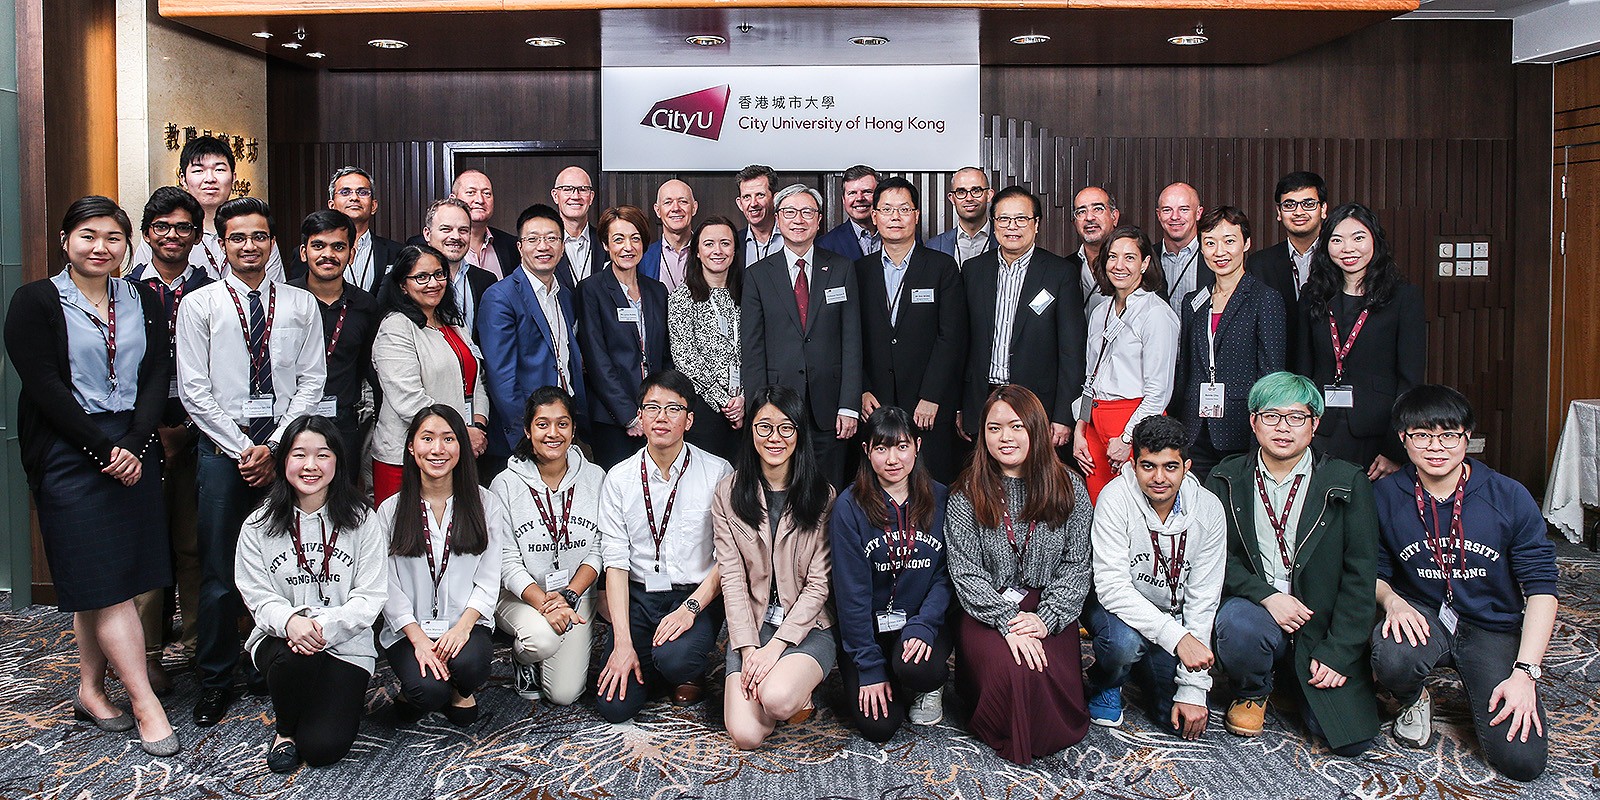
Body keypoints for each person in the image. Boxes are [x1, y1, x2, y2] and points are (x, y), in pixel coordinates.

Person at [6, 196, 179, 756]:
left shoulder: (145, 298)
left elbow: (157, 374)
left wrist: (134, 443)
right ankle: (143, 703)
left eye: (112, 237)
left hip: (133, 446)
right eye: (88, 235)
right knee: (106, 582)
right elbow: (44, 386)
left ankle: (88, 689)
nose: (100, 247)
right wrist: (103, 448)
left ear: (126, 245)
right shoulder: (35, 301)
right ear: (65, 242)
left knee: (105, 579)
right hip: (69, 452)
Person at [177, 196, 326, 728]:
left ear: (272, 243)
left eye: (259, 236)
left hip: (284, 458)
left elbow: (312, 381)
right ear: (221, 243)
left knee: (285, 565)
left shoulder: (300, 304)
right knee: (219, 572)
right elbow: (194, 389)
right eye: (237, 237)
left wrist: (276, 446)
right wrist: (244, 448)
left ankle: (270, 664)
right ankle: (216, 678)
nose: (249, 245)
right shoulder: (200, 305)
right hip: (224, 457)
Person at [1370, 385, 1556, 781]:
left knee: (1521, 762)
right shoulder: (1385, 495)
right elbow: (1371, 572)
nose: (1436, 447)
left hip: (1491, 624)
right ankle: (1412, 697)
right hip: (1421, 614)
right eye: (1421, 435)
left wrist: (1526, 673)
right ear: (1403, 439)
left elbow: (1542, 588)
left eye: (1449, 435)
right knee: (1391, 655)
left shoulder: (1508, 495)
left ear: (1467, 437)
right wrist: (1392, 601)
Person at [1206, 372, 1379, 756]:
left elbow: (1360, 576)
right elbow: (1215, 558)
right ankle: (1253, 690)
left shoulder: (1347, 481)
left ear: (1315, 424)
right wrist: (1266, 595)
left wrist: (1338, 652)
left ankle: (1297, 676)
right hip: (1256, 609)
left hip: (1319, 619)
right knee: (1236, 624)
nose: (1283, 428)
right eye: (1271, 416)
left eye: (1296, 417)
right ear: (1253, 422)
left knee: (1351, 741)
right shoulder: (1225, 477)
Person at [946, 385, 1093, 765]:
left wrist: (1045, 620)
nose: (1005, 437)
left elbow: (1077, 566)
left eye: (1015, 426)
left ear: (1035, 429)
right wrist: (1008, 621)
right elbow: (966, 573)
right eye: (994, 428)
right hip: (988, 607)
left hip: (1048, 607)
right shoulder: (967, 490)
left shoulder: (1070, 486)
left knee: (1038, 665)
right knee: (1015, 671)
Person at [235, 416, 386, 772]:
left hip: (346, 644)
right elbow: (255, 595)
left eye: (323, 455)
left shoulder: (364, 520)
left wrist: (321, 625)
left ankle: (317, 704)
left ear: (338, 461)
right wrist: (290, 622)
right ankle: (284, 732)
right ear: (284, 460)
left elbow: (371, 595)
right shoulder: (258, 525)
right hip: (283, 641)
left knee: (322, 748)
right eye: (299, 455)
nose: (310, 466)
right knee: (296, 659)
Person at [595, 370, 734, 722]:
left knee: (677, 660)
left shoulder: (717, 472)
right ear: (639, 415)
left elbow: (728, 558)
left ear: (689, 420)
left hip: (696, 596)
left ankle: (681, 667)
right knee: (614, 707)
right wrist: (623, 643)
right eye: (652, 407)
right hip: (640, 596)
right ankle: (650, 659)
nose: (661, 417)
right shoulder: (619, 479)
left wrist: (690, 608)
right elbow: (615, 565)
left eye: (673, 409)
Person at [1083, 416, 1226, 738]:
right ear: (1133, 464)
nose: (1159, 478)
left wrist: (1192, 690)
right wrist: (1178, 640)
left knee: (1172, 720)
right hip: (1116, 609)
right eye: (1148, 466)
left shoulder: (1209, 509)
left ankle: (1139, 666)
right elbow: (1112, 587)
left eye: (1170, 467)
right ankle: (1108, 680)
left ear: (1187, 466)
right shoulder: (1115, 499)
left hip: (1170, 616)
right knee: (1124, 645)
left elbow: (1204, 597)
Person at [715, 385, 837, 749]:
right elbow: (732, 580)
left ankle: (794, 691)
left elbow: (818, 586)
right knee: (746, 735)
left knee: (777, 697)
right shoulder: (728, 493)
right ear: (751, 429)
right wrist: (750, 650)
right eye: (764, 427)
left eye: (786, 428)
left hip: (808, 627)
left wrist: (776, 649)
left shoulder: (822, 495)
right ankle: (782, 691)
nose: (775, 438)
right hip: (753, 626)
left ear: (799, 434)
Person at [126, 186, 212, 693]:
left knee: (192, 545)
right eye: (162, 227)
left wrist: (188, 429)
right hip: (139, 431)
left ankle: (202, 647)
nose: (173, 236)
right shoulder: (125, 291)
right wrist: (151, 428)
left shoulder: (212, 288)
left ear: (197, 236)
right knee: (147, 544)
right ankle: (149, 653)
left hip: (199, 429)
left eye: (183, 228)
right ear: (147, 234)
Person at [829, 406, 953, 741]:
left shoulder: (942, 498)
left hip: (922, 623)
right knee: (880, 728)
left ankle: (925, 686)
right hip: (868, 630)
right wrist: (868, 667)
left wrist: (924, 624)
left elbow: (944, 577)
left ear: (917, 446)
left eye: (901, 446)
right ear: (867, 451)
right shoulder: (849, 506)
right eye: (881, 448)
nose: (893, 459)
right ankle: (889, 675)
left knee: (917, 668)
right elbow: (850, 594)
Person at [379, 405, 505, 726]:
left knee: (472, 667)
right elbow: (386, 585)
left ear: (461, 446)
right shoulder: (390, 511)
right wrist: (419, 639)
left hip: (465, 621)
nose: (438, 449)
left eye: (448, 439)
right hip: (410, 628)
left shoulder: (486, 504)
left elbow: (490, 576)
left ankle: (460, 687)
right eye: (427, 438)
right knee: (428, 693)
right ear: (411, 446)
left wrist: (462, 628)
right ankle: (425, 687)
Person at [742, 183, 862, 487]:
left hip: (830, 407)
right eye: (790, 212)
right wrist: (759, 411)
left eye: (807, 212)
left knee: (829, 489)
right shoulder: (758, 274)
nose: (799, 219)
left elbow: (852, 342)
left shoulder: (841, 268)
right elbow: (753, 349)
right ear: (778, 219)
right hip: (778, 406)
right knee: (781, 488)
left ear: (819, 220)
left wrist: (849, 404)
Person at [1294, 202, 1425, 481]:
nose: (1348, 248)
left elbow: (1410, 380)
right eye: (1337, 240)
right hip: (1320, 429)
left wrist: (1395, 449)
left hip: (1378, 433)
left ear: (1374, 240)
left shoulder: (1403, 297)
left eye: (1358, 237)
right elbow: (1302, 370)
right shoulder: (1314, 295)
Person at [491, 387, 605, 705]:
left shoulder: (596, 478)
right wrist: (544, 604)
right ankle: (524, 658)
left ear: (573, 430)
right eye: (542, 424)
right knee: (540, 641)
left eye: (562, 423)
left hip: (574, 595)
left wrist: (568, 596)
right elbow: (507, 562)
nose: (552, 433)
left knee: (564, 695)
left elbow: (598, 547)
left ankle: (549, 643)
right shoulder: (505, 484)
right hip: (521, 596)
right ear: (528, 430)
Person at [959, 186, 1087, 457]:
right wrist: (961, 407)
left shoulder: (1059, 273)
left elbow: (1071, 351)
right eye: (1003, 219)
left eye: (1021, 219)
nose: (1011, 227)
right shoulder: (973, 271)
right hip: (982, 399)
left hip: (1037, 405)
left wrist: (1064, 415)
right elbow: (962, 345)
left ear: (1036, 224)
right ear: (993, 224)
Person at [856, 177, 968, 484]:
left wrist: (932, 395)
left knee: (931, 487)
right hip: (875, 403)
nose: (895, 216)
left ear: (916, 216)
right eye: (887, 209)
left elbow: (951, 337)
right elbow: (851, 338)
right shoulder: (858, 271)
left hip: (926, 407)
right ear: (874, 216)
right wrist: (862, 388)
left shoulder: (942, 267)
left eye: (904, 209)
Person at [1172, 206, 1286, 480]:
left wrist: (1263, 427)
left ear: (1246, 244)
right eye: (1210, 243)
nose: (1219, 251)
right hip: (1195, 427)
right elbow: (1186, 367)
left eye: (1229, 241)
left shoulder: (1265, 299)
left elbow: (1271, 375)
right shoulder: (1193, 301)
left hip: (1242, 428)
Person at [372, 245, 490, 503]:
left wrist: (477, 426)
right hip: (406, 456)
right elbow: (408, 400)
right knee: (405, 537)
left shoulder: (452, 323)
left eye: (439, 274)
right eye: (421, 277)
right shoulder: (395, 328)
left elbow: (476, 379)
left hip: (453, 451)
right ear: (403, 285)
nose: (433, 283)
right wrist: (461, 433)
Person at [478, 203, 585, 480]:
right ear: (520, 247)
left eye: (551, 238)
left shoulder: (564, 295)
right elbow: (501, 378)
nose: (543, 246)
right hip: (526, 436)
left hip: (562, 426)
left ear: (562, 247)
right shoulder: (500, 296)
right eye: (533, 239)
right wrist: (526, 435)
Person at [1072, 225, 1179, 502]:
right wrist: (1080, 428)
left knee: (1137, 507)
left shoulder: (1156, 314)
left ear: (1145, 264)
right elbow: (1090, 378)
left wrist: (1128, 438)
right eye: (1112, 257)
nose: (1119, 266)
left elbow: (1159, 391)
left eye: (1130, 257)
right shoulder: (1099, 310)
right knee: (1100, 506)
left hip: (1134, 422)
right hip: (1095, 423)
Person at [578, 205, 671, 468]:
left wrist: (657, 409)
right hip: (613, 419)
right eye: (618, 239)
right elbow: (597, 360)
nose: (627, 247)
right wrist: (629, 416)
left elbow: (664, 355)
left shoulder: (657, 291)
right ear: (606, 245)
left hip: (655, 415)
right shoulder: (591, 290)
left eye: (635, 238)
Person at [289, 210, 381, 473]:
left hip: (343, 422)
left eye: (338, 247)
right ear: (304, 252)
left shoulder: (365, 305)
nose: (328, 254)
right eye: (318, 245)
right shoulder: (284, 299)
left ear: (351, 254)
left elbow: (368, 368)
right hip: (292, 422)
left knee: (344, 503)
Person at [131, 135, 285, 283]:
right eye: (199, 170)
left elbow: (274, 288)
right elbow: (145, 285)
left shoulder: (257, 233)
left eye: (219, 170)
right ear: (183, 179)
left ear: (233, 177)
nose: (210, 179)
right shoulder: (164, 234)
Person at [667, 215, 744, 460]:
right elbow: (684, 358)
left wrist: (742, 398)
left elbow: (759, 348)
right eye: (709, 244)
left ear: (734, 250)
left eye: (725, 243)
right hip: (704, 409)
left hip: (746, 408)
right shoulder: (682, 297)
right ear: (697, 251)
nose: (717, 251)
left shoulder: (750, 295)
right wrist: (723, 401)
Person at [1248, 170, 1327, 353]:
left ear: (1323, 209)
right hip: (1279, 367)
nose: (1299, 212)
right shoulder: (1260, 264)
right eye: (1289, 205)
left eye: (1308, 204)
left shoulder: (1339, 258)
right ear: (1279, 212)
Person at [417, 198, 496, 337]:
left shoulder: (486, 281)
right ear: (427, 234)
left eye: (463, 230)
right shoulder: (408, 280)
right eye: (446, 229)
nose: (455, 236)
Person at [324, 166, 405, 293]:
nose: (354, 198)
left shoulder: (397, 252)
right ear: (332, 206)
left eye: (362, 192)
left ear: (373, 206)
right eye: (345, 192)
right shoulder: (312, 253)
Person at [926, 166, 996, 267]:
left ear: (989, 195)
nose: (969, 198)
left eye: (976, 190)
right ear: (952, 198)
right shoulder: (934, 246)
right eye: (961, 192)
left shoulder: (1005, 241)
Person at [1155, 182, 1206, 317]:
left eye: (1184, 209)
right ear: (1158, 215)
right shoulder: (1146, 257)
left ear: (1198, 213)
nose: (1175, 217)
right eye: (1167, 210)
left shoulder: (1213, 257)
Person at [1067, 187, 1120, 317]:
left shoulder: (1132, 266)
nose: (1089, 217)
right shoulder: (1065, 268)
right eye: (1081, 211)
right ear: (1075, 222)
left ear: (1114, 216)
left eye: (1098, 209)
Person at [640, 179, 698, 291]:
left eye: (683, 201)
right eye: (668, 202)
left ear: (694, 208)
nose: (676, 208)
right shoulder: (643, 258)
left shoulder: (710, 254)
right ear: (657, 210)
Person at [815, 165, 881, 261]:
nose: (859, 198)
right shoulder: (825, 245)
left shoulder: (900, 236)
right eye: (852, 193)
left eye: (867, 192)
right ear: (843, 199)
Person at [552, 166, 602, 282]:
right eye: (567, 189)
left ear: (591, 197)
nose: (575, 196)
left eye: (583, 189)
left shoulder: (605, 241)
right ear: (555, 196)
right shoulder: (544, 245)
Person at [735, 164, 781, 266]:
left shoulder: (793, 238)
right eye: (747, 197)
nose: (753, 204)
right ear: (740, 204)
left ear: (775, 199)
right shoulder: (733, 242)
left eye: (760, 195)